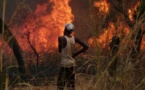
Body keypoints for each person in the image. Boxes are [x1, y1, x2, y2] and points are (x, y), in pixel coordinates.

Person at [57, 23, 88, 90]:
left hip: (64, 65)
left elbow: (60, 50)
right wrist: (75, 54)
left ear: (65, 29)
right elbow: (86, 47)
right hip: (72, 64)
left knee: (60, 85)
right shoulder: (74, 38)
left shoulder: (61, 38)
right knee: (71, 85)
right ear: (71, 31)